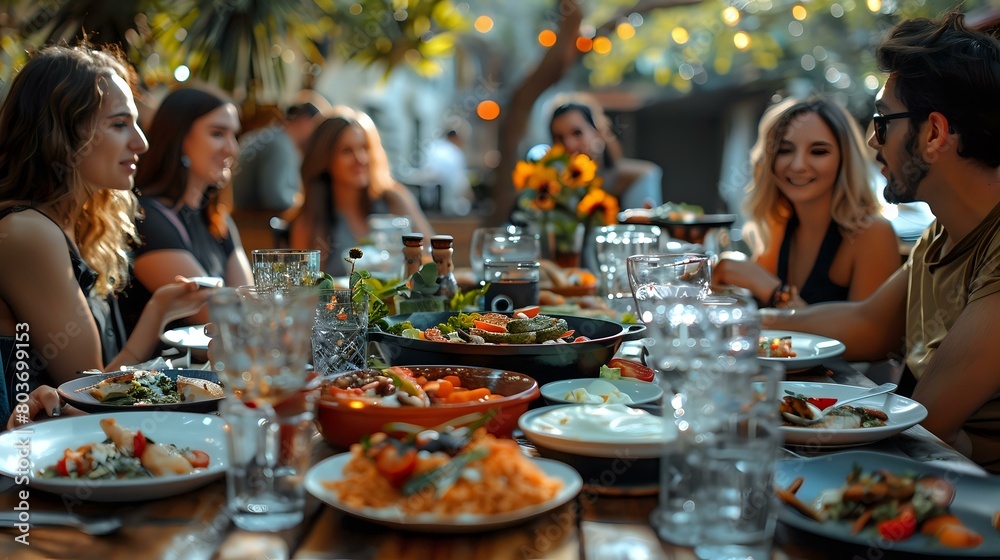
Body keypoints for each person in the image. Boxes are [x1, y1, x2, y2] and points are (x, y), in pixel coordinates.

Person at [765, 13, 1000, 473]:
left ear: (933, 133)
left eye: (882, 120)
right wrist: (734, 327)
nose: (873, 139)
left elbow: (927, 415)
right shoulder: (943, 231)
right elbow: (869, 324)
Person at [0, 44, 208, 421]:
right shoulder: (28, 232)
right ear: (62, 135)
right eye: (118, 124)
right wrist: (156, 313)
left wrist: (160, 311)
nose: (141, 142)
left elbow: (100, 385)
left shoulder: (74, 223)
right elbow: (91, 394)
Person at [712, 98, 900, 307]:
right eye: (785, 150)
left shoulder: (872, 232)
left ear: (845, 160)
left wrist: (774, 291)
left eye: (818, 152)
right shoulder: (778, 225)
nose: (799, 165)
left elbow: (869, 338)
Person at [120, 87, 253, 339]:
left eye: (234, 135)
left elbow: (248, 301)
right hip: (163, 374)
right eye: (217, 133)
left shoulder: (216, 218)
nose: (232, 148)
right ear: (179, 137)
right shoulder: (146, 217)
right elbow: (219, 317)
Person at [288, 109, 435, 276]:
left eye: (365, 148)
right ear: (325, 159)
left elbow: (433, 256)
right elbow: (308, 287)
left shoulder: (394, 199)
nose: (360, 159)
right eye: (347, 151)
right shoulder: (310, 219)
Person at [547, 93, 664, 211]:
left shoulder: (637, 177)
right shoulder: (553, 189)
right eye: (559, 138)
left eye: (577, 133)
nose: (569, 145)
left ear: (598, 133)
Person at [232, 92, 330, 212]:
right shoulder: (279, 146)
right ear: (305, 121)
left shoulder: (269, 136)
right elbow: (277, 198)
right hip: (257, 225)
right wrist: (305, 202)